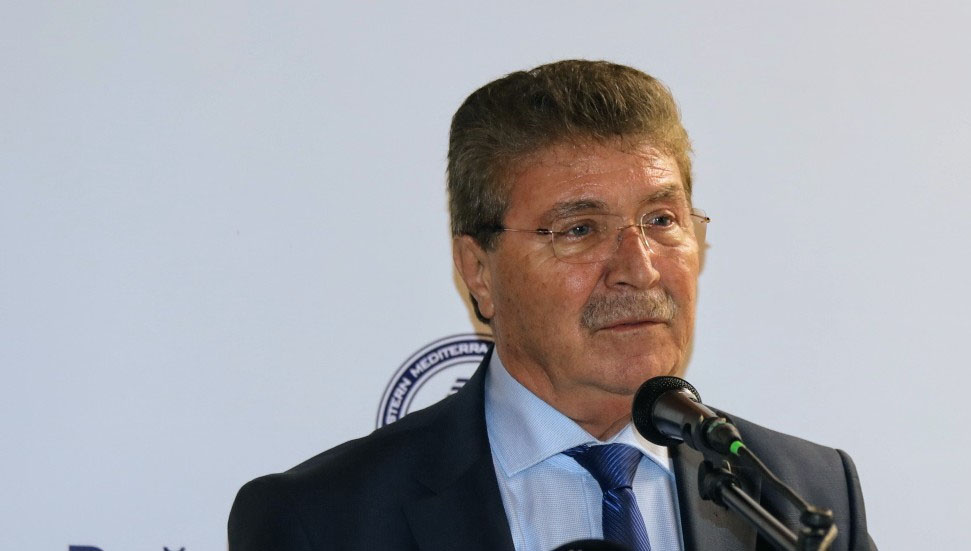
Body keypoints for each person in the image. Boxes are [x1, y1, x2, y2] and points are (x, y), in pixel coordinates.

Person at [228, 60, 875, 551]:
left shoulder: (804, 496)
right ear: (477, 270)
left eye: (660, 219)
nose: (639, 269)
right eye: (579, 229)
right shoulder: (323, 521)